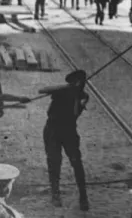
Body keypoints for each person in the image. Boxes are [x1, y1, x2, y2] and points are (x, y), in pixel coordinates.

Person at [39, 69, 90, 211]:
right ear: (71, 82)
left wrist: (75, 94)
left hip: (69, 131)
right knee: (54, 161)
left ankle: (83, 196)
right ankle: (55, 194)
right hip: (52, 130)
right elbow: (41, 90)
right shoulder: (61, 91)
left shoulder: (83, 96)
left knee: (76, 162)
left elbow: (75, 112)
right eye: (76, 81)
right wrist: (65, 88)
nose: (79, 84)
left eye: (81, 82)